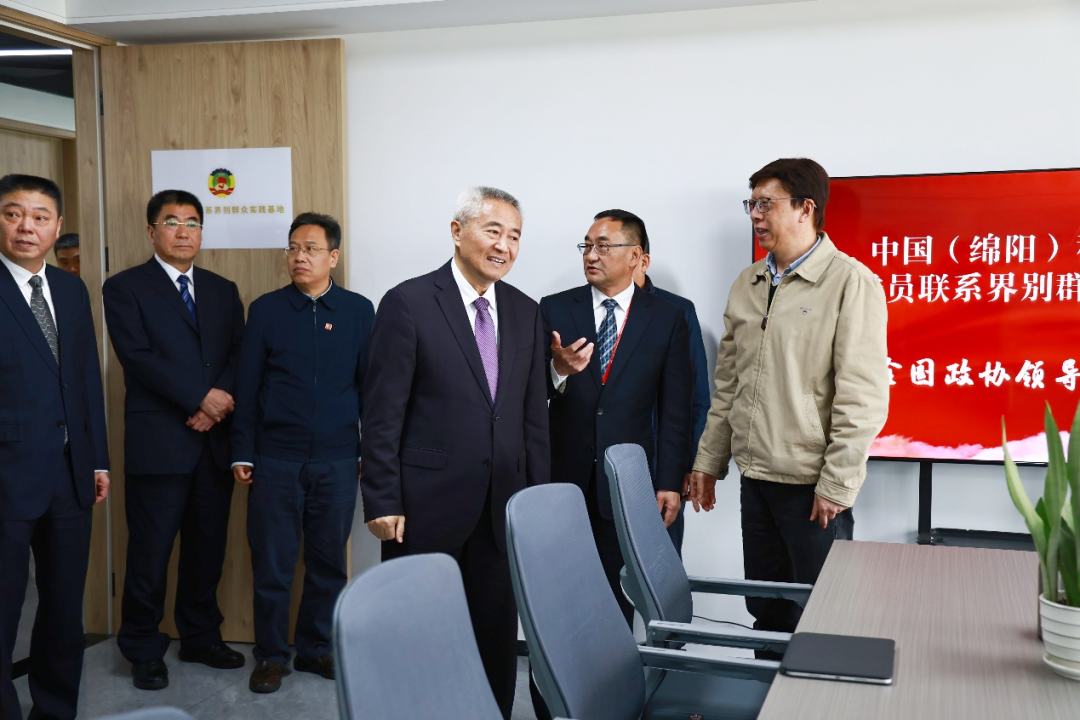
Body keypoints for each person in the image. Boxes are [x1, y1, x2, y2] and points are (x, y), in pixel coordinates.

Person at [361, 187, 549, 719]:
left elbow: (533, 420)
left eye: (515, 236)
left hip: (501, 511)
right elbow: (382, 413)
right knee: (419, 636)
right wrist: (381, 498)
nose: (505, 246)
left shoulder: (526, 312)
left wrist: (534, 507)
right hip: (424, 509)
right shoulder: (409, 302)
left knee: (495, 641)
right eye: (494, 231)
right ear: (457, 231)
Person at [689, 158, 889, 655]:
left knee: (824, 613)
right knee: (766, 608)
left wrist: (837, 483)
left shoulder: (850, 282)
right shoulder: (748, 283)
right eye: (751, 204)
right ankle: (766, 691)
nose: (755, 215)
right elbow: (729, 384)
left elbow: (862, 396)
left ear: (805, 208)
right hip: (756, 479)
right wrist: (709, 461)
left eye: (766, 204)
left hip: (811, 488)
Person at [103, 189, 246, 690]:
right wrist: (199, 398)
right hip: (160, 443)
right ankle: (143, 647)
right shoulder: (124, 287)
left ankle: (201, 637)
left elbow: (238, 351)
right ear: (151, 231)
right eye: (171, 222)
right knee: (150, 553)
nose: (183, 231)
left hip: (213, 442)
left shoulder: (222, 289)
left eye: (192, 222)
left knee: (207, 550)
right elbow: (138, 358)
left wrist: (217, 401)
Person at [231, 212, 374, 693]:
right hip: (276, 458)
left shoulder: (358, 311)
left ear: (333, 256)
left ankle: (315, 648)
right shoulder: (266, 310)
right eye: (293, 248)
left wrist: (368, 452)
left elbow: (370, 388)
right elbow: (248, 386)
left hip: (338, 459)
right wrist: (243, 451)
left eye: (311, 248)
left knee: (328, 563)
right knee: (272, 564)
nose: (299, 257)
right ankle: (271, 655)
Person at [541, 208, 690, 624]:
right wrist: (557, 371)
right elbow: (527, 393)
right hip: (564, 480)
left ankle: (617, 665)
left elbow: (675, 408)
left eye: (603, 246)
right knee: (562, 597)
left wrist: (669, 481)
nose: (591, 255)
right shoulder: (554, 309)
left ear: (635, 256)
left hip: (628, 484)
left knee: (618, 598)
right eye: (587, 246)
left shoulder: (666, 317)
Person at [0, 174, 109, 720]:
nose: (27, 226)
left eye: (40, 217)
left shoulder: (70, 288)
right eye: (13, 213)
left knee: (64, 608)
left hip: (70, 474)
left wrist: (97, 458)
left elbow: (85, 378)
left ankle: (55, 710)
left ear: (57, 225)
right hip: (7, 474)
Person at [630, 225, 710, 557]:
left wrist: (690, 464)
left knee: (659, 567)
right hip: (605, 463)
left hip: (662, 463)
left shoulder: (677, 310)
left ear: (641, 259)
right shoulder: (586, 308)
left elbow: (697, 395)